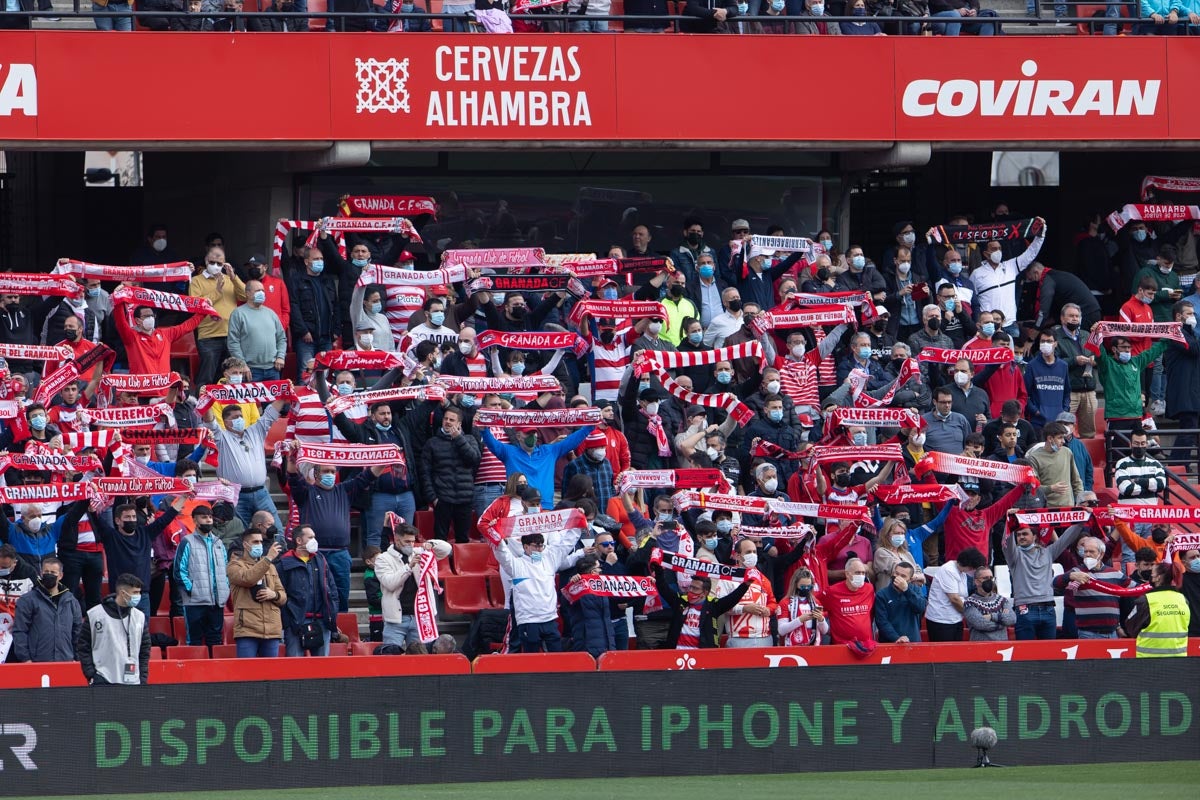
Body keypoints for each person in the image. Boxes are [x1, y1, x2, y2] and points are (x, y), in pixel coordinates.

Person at [286, 448, 387, 614]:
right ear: (316, 475)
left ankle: (339, 630)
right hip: (315, 553)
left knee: (341, 594)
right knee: (315, 593)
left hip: (340, 553)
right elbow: (293, 478)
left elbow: (367, 476)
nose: (330, 474)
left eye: (333, 471)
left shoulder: (344, 490)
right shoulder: (306, 492)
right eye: (326, 471)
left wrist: (385, 461)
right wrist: (291, 458)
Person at [204, 393, 287, 531]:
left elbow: (270, 413)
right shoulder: (221, 437)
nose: (240, 419)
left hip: (261, 493)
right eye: (235, 417)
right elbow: (210, 422)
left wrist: (284, 394)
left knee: (276, 532)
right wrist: (205, 401)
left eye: (241, 416)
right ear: (225, 422)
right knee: (236, 535)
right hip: (236, 496)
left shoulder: (256, 431)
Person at [494, 530, 584, 653]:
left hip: (550, 619)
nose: (540, 549)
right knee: (532, 662)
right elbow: (502, 553)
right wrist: (495, 535)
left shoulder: (550, 560)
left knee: (558, 659)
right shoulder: (516, 565)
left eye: (542, 545)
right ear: (525, 546)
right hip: (528, 621)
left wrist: (577, 527)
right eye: (536, 545)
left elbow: (566, 544)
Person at [92, 498, 183, 617]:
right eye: (127, 517)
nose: (132, 520)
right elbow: (95, 517)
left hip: (141, 595)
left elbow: (167, 517)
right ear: (118, 520)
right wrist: (91, 499)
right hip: (120, 595)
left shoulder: (146, 533)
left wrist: (184, 497)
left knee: (143, 633)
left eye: (133, 517)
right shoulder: (111, 537)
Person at [481, 423, 595, 510]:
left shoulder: (549, 451)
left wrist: (590, 426)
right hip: (519, 507)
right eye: (528, 433)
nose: (532, 436)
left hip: (545, 507)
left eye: (534, 433)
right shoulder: (508, 452)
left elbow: (571, 441)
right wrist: (483, 429)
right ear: (518, 436)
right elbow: (492, 443)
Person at [374, 524, 452, 649]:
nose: (410, 544)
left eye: (413, 541)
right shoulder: (383, 559)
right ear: (396, 539)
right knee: (391, 658)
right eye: (407, 541)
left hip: (420, 617)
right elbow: (390, 583)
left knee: (420, 659)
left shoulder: (419, 552)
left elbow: (446, 549)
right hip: (395, 620)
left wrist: (431, 544)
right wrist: (408, 567)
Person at [1003, 522, 1085, 640]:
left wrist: (1081, 521)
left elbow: (1066, 539)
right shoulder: (1014, 556)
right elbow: (1006, 544)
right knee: (1024, 654)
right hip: (1024, 610)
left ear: (1035, 536)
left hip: (1048, 609)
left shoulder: (1048, 552)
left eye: (1025, 534)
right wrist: (1009, 523)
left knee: (1050, 654)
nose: (1021, 537)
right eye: (1018, 535)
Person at [418, 405, 481, 544]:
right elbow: (425, 472)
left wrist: (458, 438)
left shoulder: (469, 439)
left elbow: (474, 460)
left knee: (463, 539)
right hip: (442, 499)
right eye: (445, 419)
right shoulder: (432, 443)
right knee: (440, 540)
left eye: (452, 420)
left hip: (464, 499)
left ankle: (463, 566)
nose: (447, 422)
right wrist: (433, 497)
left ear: (459, 423)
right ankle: (441, 566)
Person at [277, 525, 341, 657]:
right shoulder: (284, 563)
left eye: (314, 537)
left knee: (322, 668)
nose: (314, 540)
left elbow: (332, 589)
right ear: (299, 540)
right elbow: (280, 592)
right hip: (295, 622)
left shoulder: (320, 559)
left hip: (321, 621)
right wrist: (288, 620)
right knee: (295, 667)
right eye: (310, 537)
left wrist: (331, 615)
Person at [190, 247, 248, 388]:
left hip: (231, 336)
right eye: (212, 262)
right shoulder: (196, 281)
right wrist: (217, 292)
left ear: (224, 264)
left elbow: (246, 296)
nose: (215, 265)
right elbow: (195, 304)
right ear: (206, 261)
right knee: (207, 376)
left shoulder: (230, 280)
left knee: (232, 375)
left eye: (219, 263)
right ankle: (202, 408)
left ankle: (229, 407)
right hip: (209, 336)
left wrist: (234, 277)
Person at [77, 574, 150, 686]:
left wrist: (142, 678)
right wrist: (91, 674)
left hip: (133, 682)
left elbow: (144, 650)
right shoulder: (94, 615)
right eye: (135, 592)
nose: (138, 596)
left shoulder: (140, 617)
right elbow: (83, 646)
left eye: (139, 592)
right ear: (122, 593)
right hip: (103, 680)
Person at [653, 566, 750, 650]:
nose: (691, 591)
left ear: (705, 593)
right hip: (677, 655)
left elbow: (733, 598)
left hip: (702, 657)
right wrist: (659, 570)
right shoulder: (680, 601)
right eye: (690, 587)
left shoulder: (713, 605)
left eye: (695, 588)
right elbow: (663, 588)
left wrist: (746, 584)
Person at [175, 505, 231, 650]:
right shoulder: (187, 542)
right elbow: (179, 571)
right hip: (195, 602)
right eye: (204, 517)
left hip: (217, 602)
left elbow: (226, 570)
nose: (208, 520)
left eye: (210, 517)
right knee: (195, 642)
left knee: (215, 641)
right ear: (194, 520)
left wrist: (225, 590)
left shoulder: (219, 543)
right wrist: (192, 590)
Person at [226, 529, 287, 658]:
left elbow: (283, 596)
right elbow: (248, 578)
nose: (259, 544)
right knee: (246, 674)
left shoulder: (271, 567)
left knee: (270, 674)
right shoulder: (234, 566)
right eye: (255, 541)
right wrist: (268, 558)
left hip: (272, 630)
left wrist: (274, 595)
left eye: (261, 541)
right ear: (245, 544)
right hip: (248, 630)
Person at [1052, 536, 1126, 639]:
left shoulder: (1115, 573)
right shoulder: (1077, 572)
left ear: (1101, 554)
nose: (1087, 555)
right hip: (1087, 633)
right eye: (1086, 551)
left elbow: (1133, 589)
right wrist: (1069, 576)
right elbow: (1054, 582)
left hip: (1111, 633)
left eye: (1091, 552)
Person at [12, 556, 81, 663]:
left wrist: (77, 658)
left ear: (61, 575)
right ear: (41, 573)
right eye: (46, 571)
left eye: (53, 572)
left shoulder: (71, 601)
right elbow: (20, 631)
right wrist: (25, 659)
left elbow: (77, 632)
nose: (49, 575)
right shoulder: (27, 600)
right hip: (37, 663)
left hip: (65, 661)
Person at [227, 280, 288, 381]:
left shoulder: (271, 313)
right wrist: (242, 365)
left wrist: (280, 356)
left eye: (263, 291)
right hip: (251, 371)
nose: (262, 293)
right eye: (258, 290)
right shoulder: (238, 314)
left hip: (273, 369)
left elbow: (281, 337)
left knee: (275, 398)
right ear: (247, 293)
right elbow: (233, 342)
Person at [1126, 563, 1191, 657]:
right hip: (1178, 659)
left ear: (1158, 578)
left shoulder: (1146, 600)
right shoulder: (1183, 599)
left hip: (1149, 660)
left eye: (1152, 572)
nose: (1150, 575)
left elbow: (1130, 626)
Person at [722, 539, 777, 648]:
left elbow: (773, 603)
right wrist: (744, 608)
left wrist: (768, 610)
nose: (752, 555)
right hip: (739, 638)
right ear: (737, 555)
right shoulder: (728, 577)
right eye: (748, 552)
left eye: (754, 552)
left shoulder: (763, 579)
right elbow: (720, 606)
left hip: (764, 638)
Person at [1054, 303, 1099, 438]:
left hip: (1089, 389)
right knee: (1063, 431)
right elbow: (1053, 362)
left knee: (1089, 433)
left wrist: (1095, 360)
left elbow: (1098, 354)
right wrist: (1074, 360)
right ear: (1062, 318)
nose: (1075, 319)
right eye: (1071, 316)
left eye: (1077, 316)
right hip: (1069, 392)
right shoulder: (1055, 336)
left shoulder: (1086, 335)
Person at [925, 547, 986, 642]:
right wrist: (971, 614)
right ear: (969, 566)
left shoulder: (962, 572)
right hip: (941, 620)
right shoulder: (948, 570)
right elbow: (954, 599)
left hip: (956, 619)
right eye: (973, 568)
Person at [564, 555, 616, 658]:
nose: (601, 570)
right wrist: (572, 584)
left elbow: (624, 591)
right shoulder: (577, 588)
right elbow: (566, 601)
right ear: (593, 572)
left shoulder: (603, 586)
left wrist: (647, 582)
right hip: (586, 643)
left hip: (607, 642)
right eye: (599, 568)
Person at [1026, 421, 1083, 507]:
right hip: (1046, 508)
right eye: (1060, 438)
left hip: (1068, 507)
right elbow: (1032, 488)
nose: (1063, 441)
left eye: (1063, 438)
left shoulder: (1067, 452)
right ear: (1050, 439)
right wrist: (1051, 488)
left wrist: (1080, 500)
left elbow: (1076, 480)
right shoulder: (1034, 458)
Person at [820, 557, 875, 646]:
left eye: (863, 573)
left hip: (866, 646)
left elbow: (871, 613)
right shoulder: (832, 592)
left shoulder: (869, 589)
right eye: (857, 572)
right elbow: (815, 604)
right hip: (841, 647)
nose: (861, 576)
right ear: (847, 574)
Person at [874, 561, 926, 644]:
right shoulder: (882, 594)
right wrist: (896, 638)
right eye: (896, 573)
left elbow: (920, 608)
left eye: (903, 576)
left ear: (910, 579)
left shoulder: (916, 590)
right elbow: (882, 621)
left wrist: (906, 590)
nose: (898, 577)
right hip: (889, 643)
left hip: (913, 642)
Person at [1114, 428, 1167, 508]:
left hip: (1149, 513)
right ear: (1130, 444)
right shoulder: (1122, 463)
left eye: (1142, 443)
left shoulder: (1155, 464)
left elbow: (1161, 485)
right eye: (1136, 443)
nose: (1139, 446)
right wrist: (1150, 488)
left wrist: (1137, 481)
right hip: (1128, 514)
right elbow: (1126, 489)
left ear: (1146, 444)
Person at [963, 565, 1016, 641]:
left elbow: (1012, 619)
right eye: (985, 578)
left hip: (1002, 648)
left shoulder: (1002, 600)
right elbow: (980, 624)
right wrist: (1002, 623)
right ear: (977, 581)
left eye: (991, 578)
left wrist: (991, 616)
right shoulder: (969, 603)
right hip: (980, 648)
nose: (990, 580)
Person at [776, 568, 828, 646]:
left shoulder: (816, 602)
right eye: (803, 587)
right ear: (795, 584)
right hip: (792, 647)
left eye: (809, 587)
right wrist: (800, 620)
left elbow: (824, 631)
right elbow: (781, 630)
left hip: (813, 646)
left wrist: (821, 619)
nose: (806, 589)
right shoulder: (785, 603)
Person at [922, 387, 973, 454]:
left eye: (949, 402)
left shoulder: (960, 419)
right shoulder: (923, 420)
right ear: (934, 402)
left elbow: (969, 444)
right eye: (943, 402)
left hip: (957, 463)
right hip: (934, 462)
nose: (947, 405)